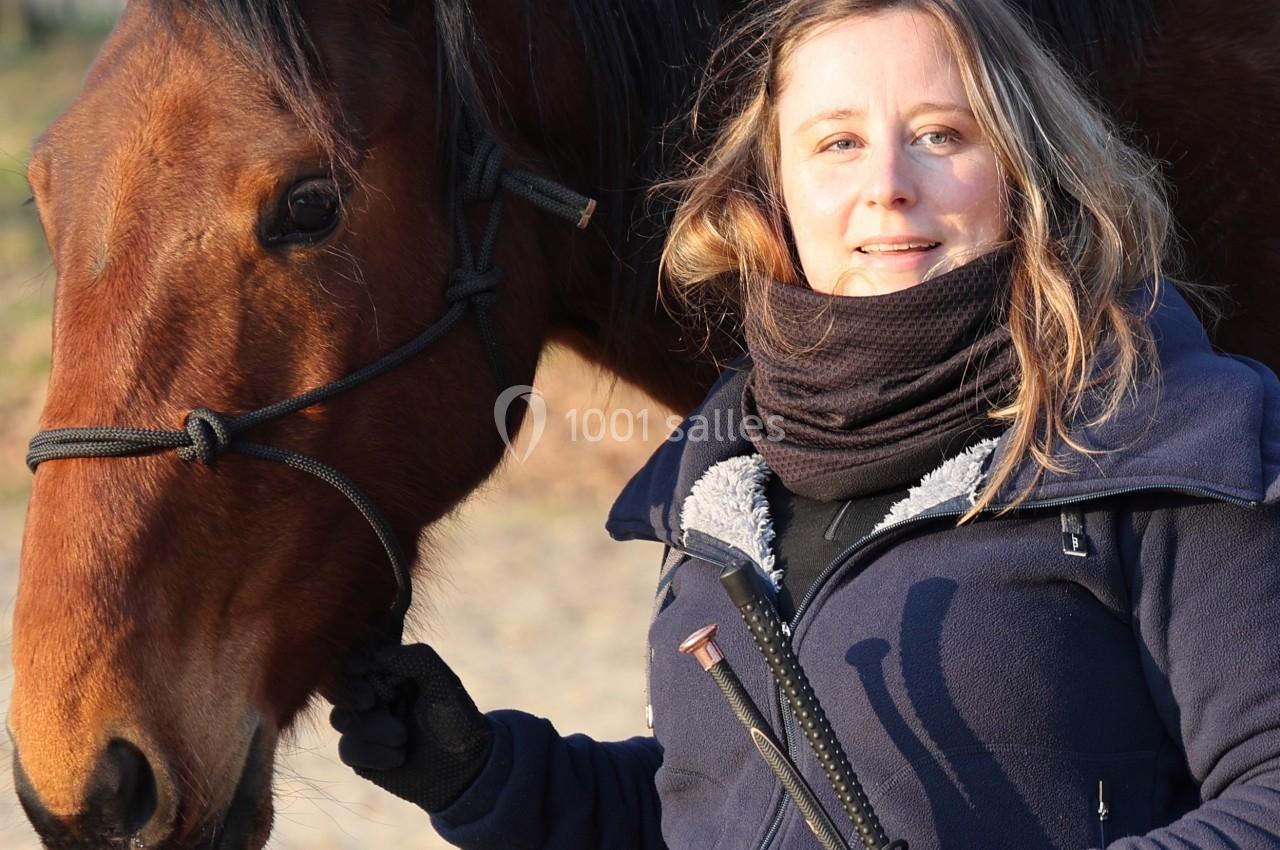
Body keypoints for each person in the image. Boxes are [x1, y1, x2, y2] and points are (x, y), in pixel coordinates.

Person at [329, 0, 1280, 847]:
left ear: (1028, 166)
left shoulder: (1169, 443)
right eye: (836, 143)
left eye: (942, 135)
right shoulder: (725, 476)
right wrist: (493, 779)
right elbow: (723, 806)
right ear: (771, 189)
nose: (888, 185)